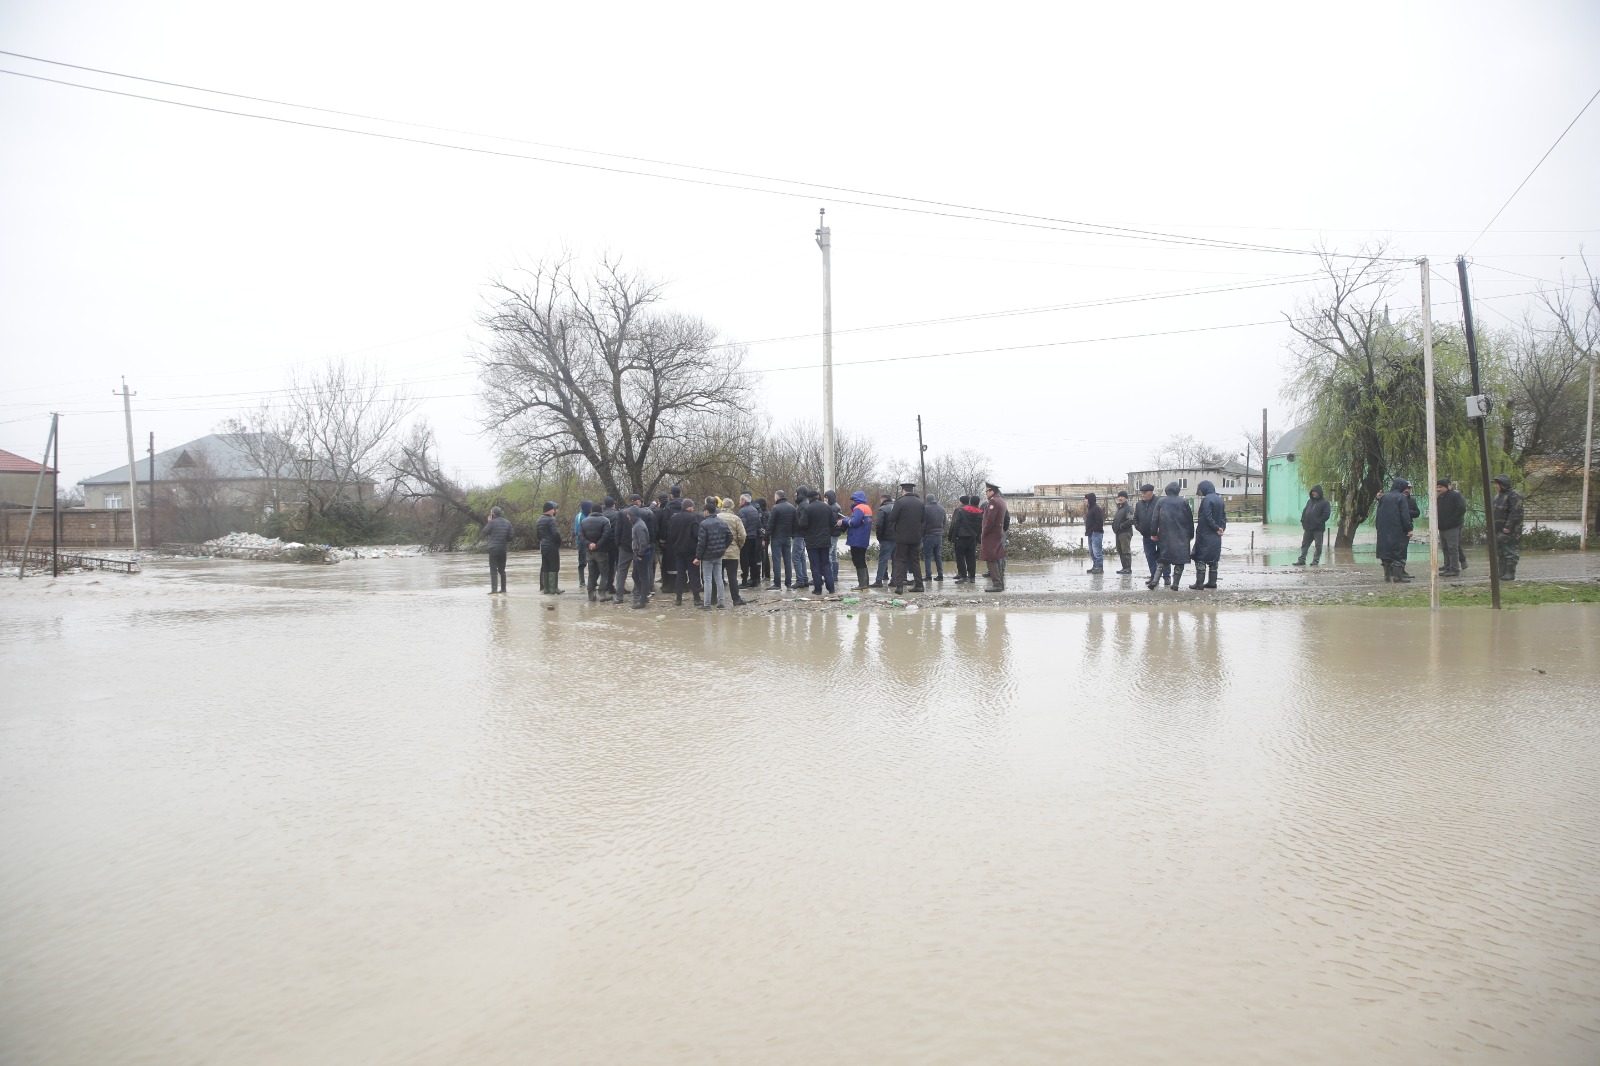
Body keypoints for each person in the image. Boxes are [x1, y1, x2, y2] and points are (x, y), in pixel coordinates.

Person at [1151, 482, 1194, 591]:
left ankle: (1155, 581)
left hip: (1166, 535)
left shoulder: (1161, 501)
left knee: (1162, 559)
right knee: (1180, 561)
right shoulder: (1184, 502)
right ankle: (1175, 584)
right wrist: (1191, 535)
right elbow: (1190, 520)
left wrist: (1153, 533)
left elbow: (1155, 519)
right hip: (1182, 536)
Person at [1374, 478, 1416, 583]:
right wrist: (1409, 529)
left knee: (1386, 553)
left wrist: (1378, 527)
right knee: (1398, 552)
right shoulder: (1402, 498)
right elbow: (1405, 515)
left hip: (1384, 529)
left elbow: (1378, 513)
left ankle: (1387, 577)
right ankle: (1398, 577)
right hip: (1398, 529)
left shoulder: (1384, 497)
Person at [887, 482, 926, 594]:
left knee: (900, 560)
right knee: (915, 561)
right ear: (912, 490)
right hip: (916, 537)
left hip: (902, 537)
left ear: (903, 490)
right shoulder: (920, 503)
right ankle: (919, 585)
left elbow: (892, 518)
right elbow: (923, 520)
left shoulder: (900, 502)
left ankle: (899, 587)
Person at [694, 497, 732, 608]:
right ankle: (721, 603)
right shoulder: (722, 522)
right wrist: (723, 548)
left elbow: (701, 543)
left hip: (707, 556)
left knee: (707, 580)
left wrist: (698, 557)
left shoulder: (704, 524)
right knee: (719, 579)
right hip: (719, 555)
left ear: (706, 511)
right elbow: (730, 536)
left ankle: (707, 604)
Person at [799, 485, 838, 595]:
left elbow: (802, 524)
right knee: (826, 564)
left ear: (809, 498)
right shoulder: (827, 507)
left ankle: (818, 589)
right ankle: (831, 588)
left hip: (812, 541)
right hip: (825, 540)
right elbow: (833, 523)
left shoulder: (807, 508)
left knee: (815, 565)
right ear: (818, 496)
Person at [1189, 479, 1226, 589]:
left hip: (1205, 535)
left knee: (1200, 558)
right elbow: (1224, 517)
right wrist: (1221, 528)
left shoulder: (1207, 500)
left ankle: (1199, 583)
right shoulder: (1220, 500)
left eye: (1200, 489)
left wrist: (1215, 528)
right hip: (1217, 536)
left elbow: (1206, 516)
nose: (1199, 492)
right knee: (1214, 559)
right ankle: (1212, 582)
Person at [667, 496, 704, 606]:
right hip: (691, 550)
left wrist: (675, 544)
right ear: (690, 507)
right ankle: (696, 598)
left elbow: (671, 534)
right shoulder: (694, 517)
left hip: (678, 550)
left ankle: (678, 599)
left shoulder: (674, 518)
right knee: (694, 574)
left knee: (680, 574)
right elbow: (697, 534)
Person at [1491, 474, 1524, 580]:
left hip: (1509, 530)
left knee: (1509, 551)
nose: (1495, 486)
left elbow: (1515, 512)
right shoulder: (1498, 496)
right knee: (1500, 551)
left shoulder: (1514, 495)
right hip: (1498, 529)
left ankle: (1510, 573)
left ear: (1503, 484)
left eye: (1497, 484)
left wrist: (1508, 526)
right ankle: (1501, 572)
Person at [579, 501, 614, 602]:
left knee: (591, 573)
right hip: (602, 551)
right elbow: (606, 535)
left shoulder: (584, 521)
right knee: (604, 573)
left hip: (589, 551)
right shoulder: (605, 520)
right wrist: (597, 545)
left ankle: (591, 595)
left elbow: (580, 535)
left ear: (592, 511)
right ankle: (602, 594)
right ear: (601, 510)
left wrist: (589, 544)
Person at [718, 497, 749, 605]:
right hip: (732, 552)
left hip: (718, 552)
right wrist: (738, 546)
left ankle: (716, 599)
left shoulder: (716, 517)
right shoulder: (736, 519)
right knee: (732, 577)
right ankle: (736, 599)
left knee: (717, 576)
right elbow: (743, 535)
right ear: (732, 506)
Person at [1435, 478, 1468, 577]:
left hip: (1452, 527)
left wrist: (1453, 521)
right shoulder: (1439, 498)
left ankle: (1455, 569)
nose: (1438, 489)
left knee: (1452, 548)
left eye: (1440, 487)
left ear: (1446, 487)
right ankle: (1447, 566)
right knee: (1445, 548)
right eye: (1437, 487)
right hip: (1442, 527)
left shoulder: (1455, 495)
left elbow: (1461, 508)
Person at [1292, 485, 1332, 567]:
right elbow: (1305, 511)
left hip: (1318, 529)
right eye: (1312, 491)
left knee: (1318, 546)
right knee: (1304, 545)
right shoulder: (1310, 501)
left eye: (1315, 491)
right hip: (1308, 528)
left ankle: (1315, 561)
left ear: (1319, 492)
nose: (1313, 493)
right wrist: (1303, 520)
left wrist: (1318, 522)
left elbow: (1326, 515)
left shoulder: (1325, 503)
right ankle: (1301, 560)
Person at [767, 489, 798, 590]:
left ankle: (777, 584)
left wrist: (766, 536)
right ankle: (788, 583)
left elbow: (770, 524)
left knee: (776, 561)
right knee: (787, 561)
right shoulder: (792, 508)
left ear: (777, 497)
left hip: (777, 538)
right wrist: (792, 534)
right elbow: (796, 524)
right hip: (787, 538)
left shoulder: (775, 508)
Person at [980, 482, 1007, 592]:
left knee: (990, 558)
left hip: (992, 534)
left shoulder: (993, 501)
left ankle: (997, 584)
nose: (985, 493)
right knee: (996, 558)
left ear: (992, 491)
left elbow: (990, 520)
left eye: (987, 491)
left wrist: (984, 533)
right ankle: (1000, 584)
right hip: (997, 532)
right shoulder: (1001, 500)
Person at [846, 490, 874, 590]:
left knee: (857, 560)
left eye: (853, 500)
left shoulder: (858, 508)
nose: (853, 502)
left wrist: (845, 520)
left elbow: (854, 523)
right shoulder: (867, 508)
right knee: (862, 560)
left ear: (857, 500)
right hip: (864, 538)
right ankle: (865, 584)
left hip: (856, 539)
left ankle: (862, 585)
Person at [950, 495, 983, 582]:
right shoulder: (980, 513)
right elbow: (981, 527)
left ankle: (963, 576)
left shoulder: (962, 511)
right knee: (971, 558)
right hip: (973, 538)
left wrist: (954, 536)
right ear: (978, 502)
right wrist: (978, 537)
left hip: (962, 537)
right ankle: (972, 577)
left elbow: (957, 524)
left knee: (960, 557)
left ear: (970, 501)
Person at [1133, 484, 1161, 585]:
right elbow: (1135, 518)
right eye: (1141, 493)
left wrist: (1159, 530)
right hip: (1146, 535)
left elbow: (1163, 518)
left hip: (1159, 535)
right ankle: (1154, 576)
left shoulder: (1159, 502)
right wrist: (1139, 528)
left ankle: (1166, 577)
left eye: (1144, 493)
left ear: (1151, 492)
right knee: (1150, 556)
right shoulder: (1139, 504)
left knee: (1163, 556)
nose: (1142, 495)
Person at [534, 501, 563, 595]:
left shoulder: (539, 520)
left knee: (545, 566)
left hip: (543, 545)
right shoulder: (551, 520)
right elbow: (556, 533)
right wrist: (559, 542)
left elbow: (538, 535)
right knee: (554, 566)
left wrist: (542, 541)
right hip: (552, 545)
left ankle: (546, 589)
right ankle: (554, 588)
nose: (554, 511)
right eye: (553, 509)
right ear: (550, 510)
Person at [609, 498, 634, 604]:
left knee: (621, 571)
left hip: (624, 547)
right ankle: (640, 595)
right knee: (640, 572)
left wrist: (618, 543)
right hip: (638, 547)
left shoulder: (621, 514)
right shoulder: (643, 513)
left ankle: (619, 597)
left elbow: (617, 531)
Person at [483, 505, 512, 594]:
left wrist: (489, 522)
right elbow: (511, 537)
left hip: (493, 548)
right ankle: (503, 589)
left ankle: (494, 590)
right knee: (502, 570)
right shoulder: (508, 523)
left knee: (493, 569)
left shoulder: (491, 523)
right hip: (503, 548)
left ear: (493, 515)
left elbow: (484, 532)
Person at [737, 492, 763, 588]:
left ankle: (744, 581)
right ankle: (754, 580)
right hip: (754, 537)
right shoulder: (755, 510)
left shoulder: (742, 511)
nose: (739, 502)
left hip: (746, 538)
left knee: (744, 560)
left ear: (744, 500)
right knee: (753, 559)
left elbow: (742, 526)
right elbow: (759, 524)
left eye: (740, 500)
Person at [921, 494, 947, 582]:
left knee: (928, 556)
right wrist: (940, 530)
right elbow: (944, 522)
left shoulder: (925, 508)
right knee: (938, 556)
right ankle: (940, 575)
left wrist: (922, 534)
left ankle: (928, 576)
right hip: (938, 536)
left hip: (928, 535)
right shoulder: (941, 508)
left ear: (927, 500)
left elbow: (922, 523)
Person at [871, 492, 894, 588]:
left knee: (883, 560)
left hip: (886, 538)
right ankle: (894, 580)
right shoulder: (897, 507)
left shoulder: (882, 509)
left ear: (883, 500)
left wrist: (879, 537)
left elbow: (879, 525)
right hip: (897, 538)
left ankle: (879, 580)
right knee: (896, 560)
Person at [790, 485, 811, 589]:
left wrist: (793, 522)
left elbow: (802, 522)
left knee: (796, 558)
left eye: (796, 493)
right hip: (801, 535)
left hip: (799, 535)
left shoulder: (803, 505)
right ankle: (804, 579)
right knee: (802, 558)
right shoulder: (803, 504)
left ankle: (800, 580)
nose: (795, 495)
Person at [1110, 491, 1134, 575]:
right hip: (1118, 533)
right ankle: (1124, 567)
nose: (1120, 498)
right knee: (1120, 550)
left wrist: (1121, 526)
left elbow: (1131, 520)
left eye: (1122, 496)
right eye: (1119, 496)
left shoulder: (1128, 508)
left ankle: (1128, 568)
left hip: (1125, 532)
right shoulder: (1121, 507)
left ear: (1126, 498)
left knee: (1125, 550)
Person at [1083, 492, 1105, 574]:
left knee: (1097, 552)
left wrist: (1094, 530)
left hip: (1096, 533)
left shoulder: (1096, 509)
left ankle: (1099, 567)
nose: (1084, 500)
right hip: (1090, 533)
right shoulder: (1090, 508)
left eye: (1086, 499)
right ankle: (1095, 566)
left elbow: (1099, 521)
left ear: (1090, 500)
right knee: (1091, 551)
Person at [572, 500, 593, 589]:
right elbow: (577, 532)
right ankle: (582, 582)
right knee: (582, 563)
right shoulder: (580, 516)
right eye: (590, 507)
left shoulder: (589, 516)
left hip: (590, 543)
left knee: (591, 562)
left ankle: (591, 581)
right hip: (582, 543)